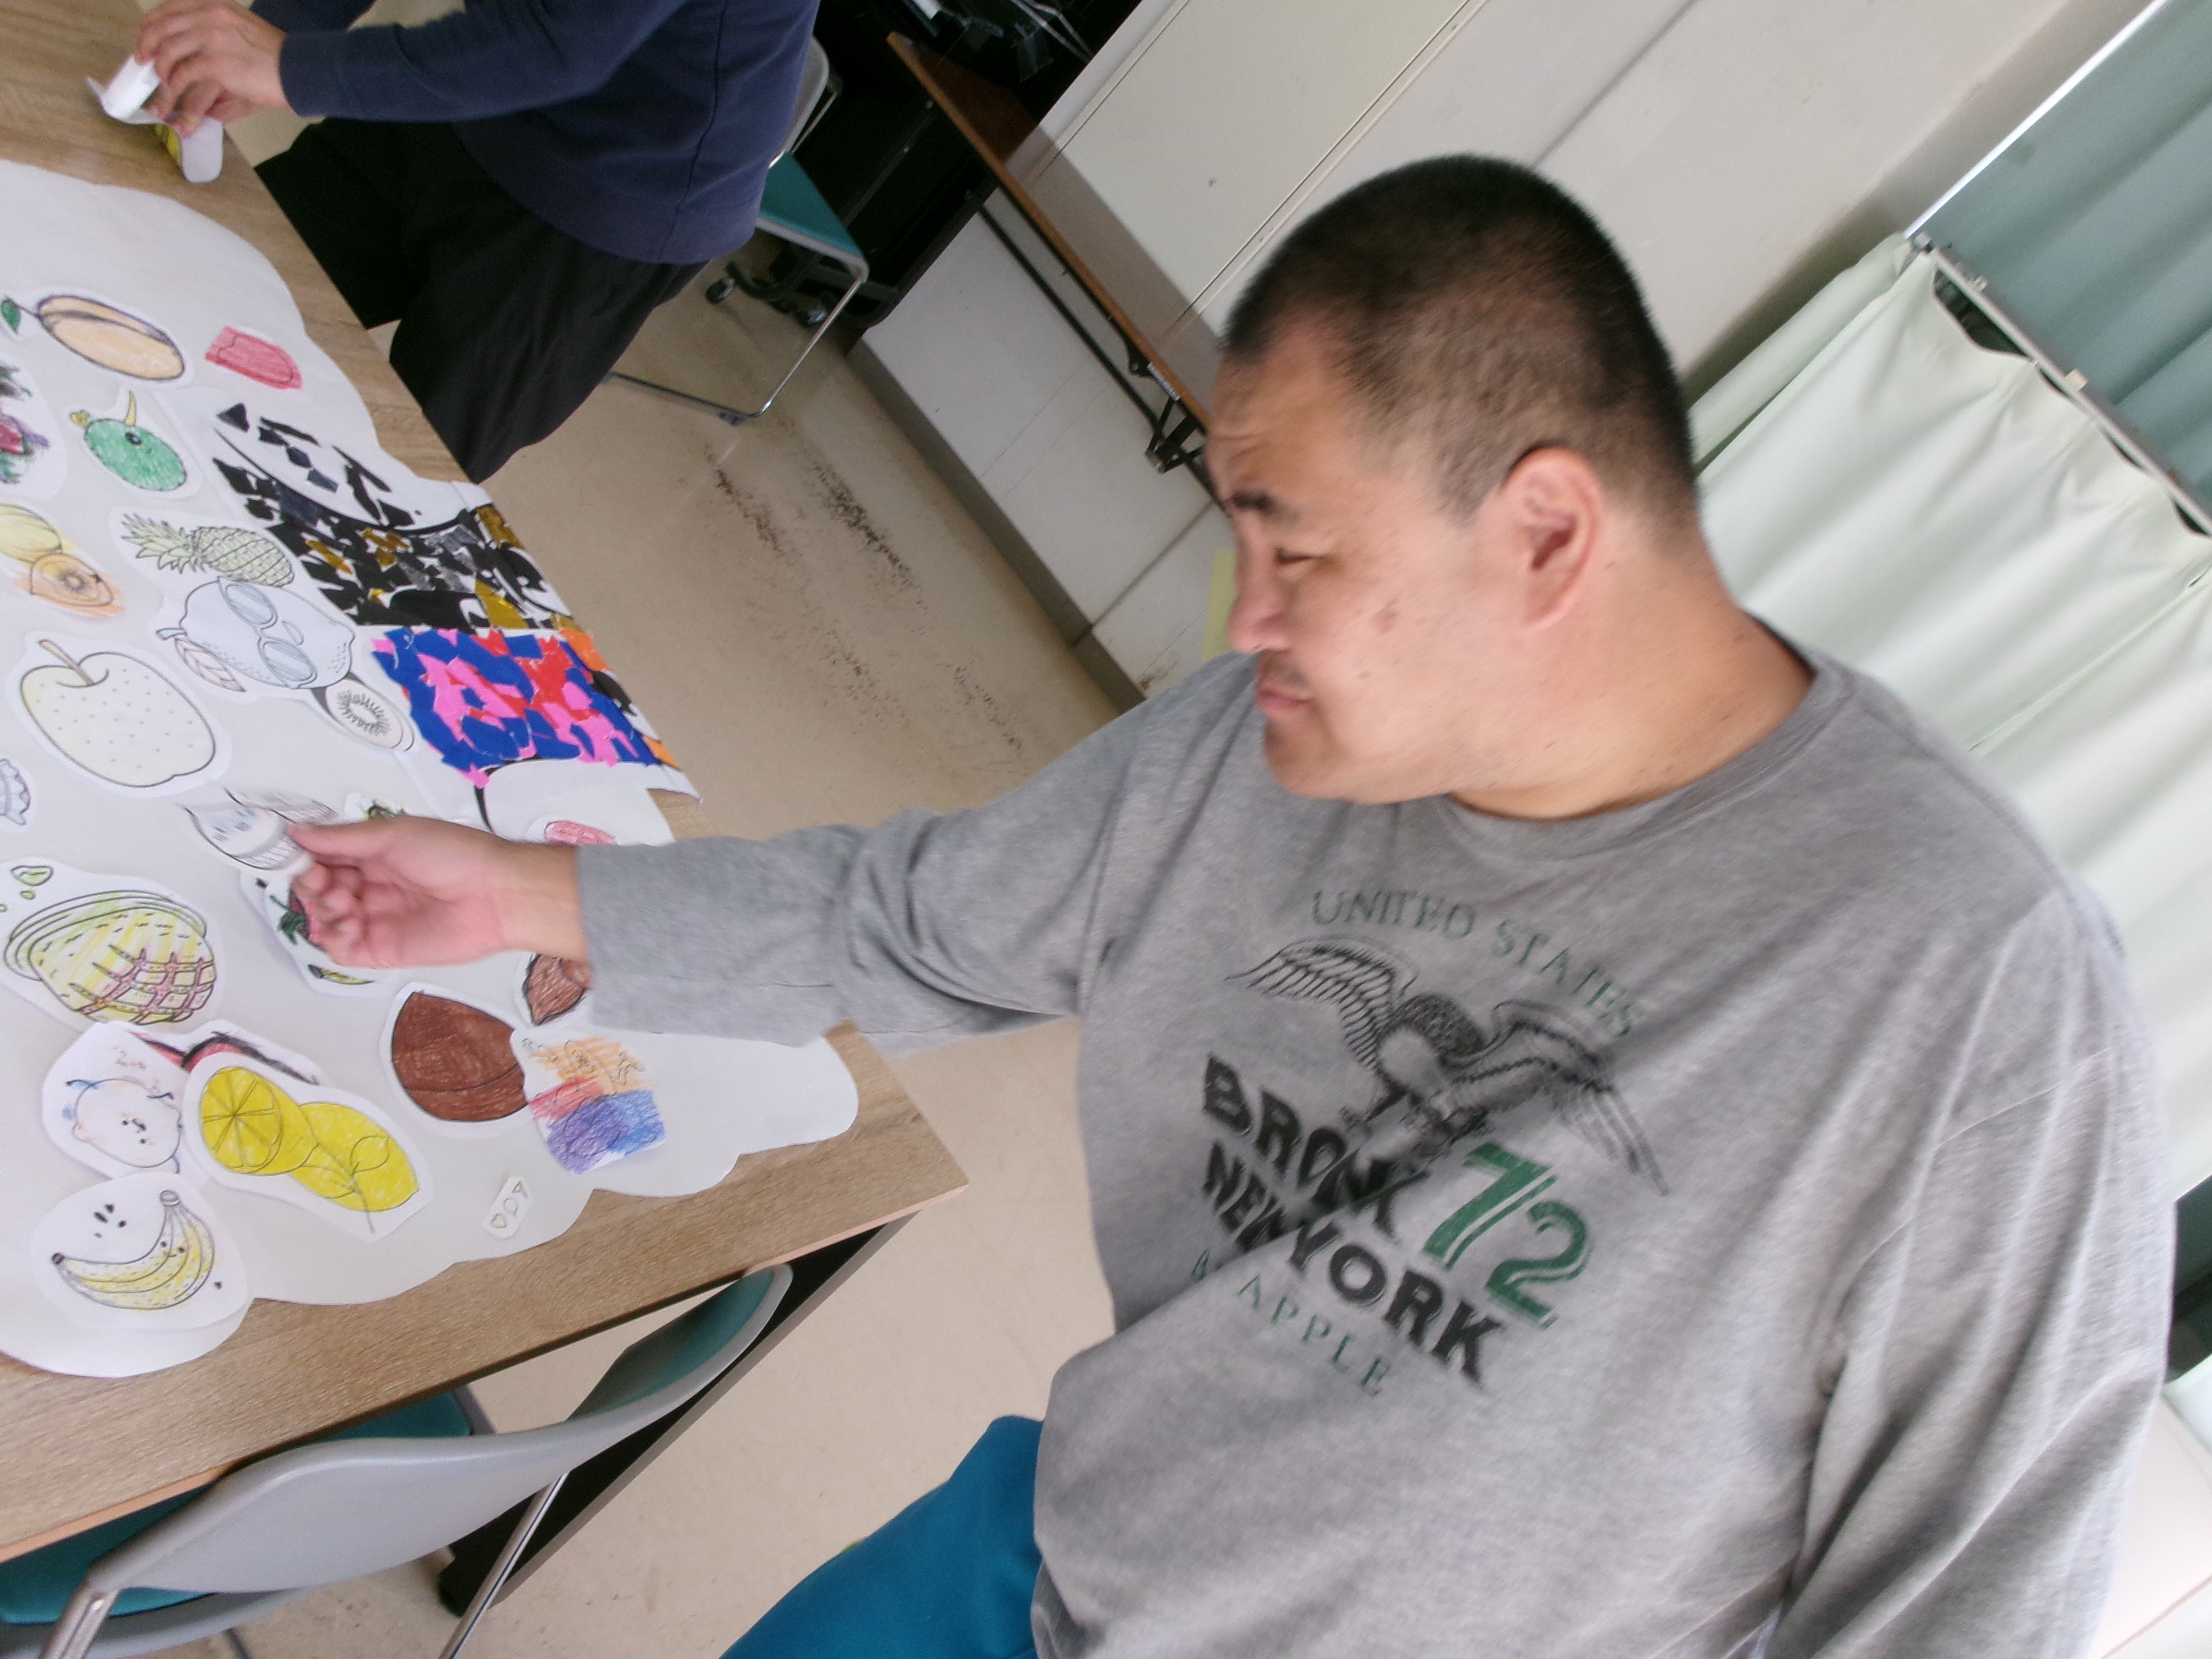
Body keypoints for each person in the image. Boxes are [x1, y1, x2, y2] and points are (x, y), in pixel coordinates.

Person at [290, 157, 2172, 1658]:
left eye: (1304, 550)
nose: (1244, 616)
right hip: (1039, 1564)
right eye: (1237, 531)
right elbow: (916, 924)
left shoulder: (1969, 995)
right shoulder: (1262, 740)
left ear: (1542, 535)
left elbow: (1968, 1595)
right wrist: (528, 890)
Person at [130, 0, 819, 481]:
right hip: (467, 91)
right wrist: (285, 26)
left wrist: (291, 65)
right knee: (203, 282)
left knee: (390, 473)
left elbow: (555, 47)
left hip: (605, 206)